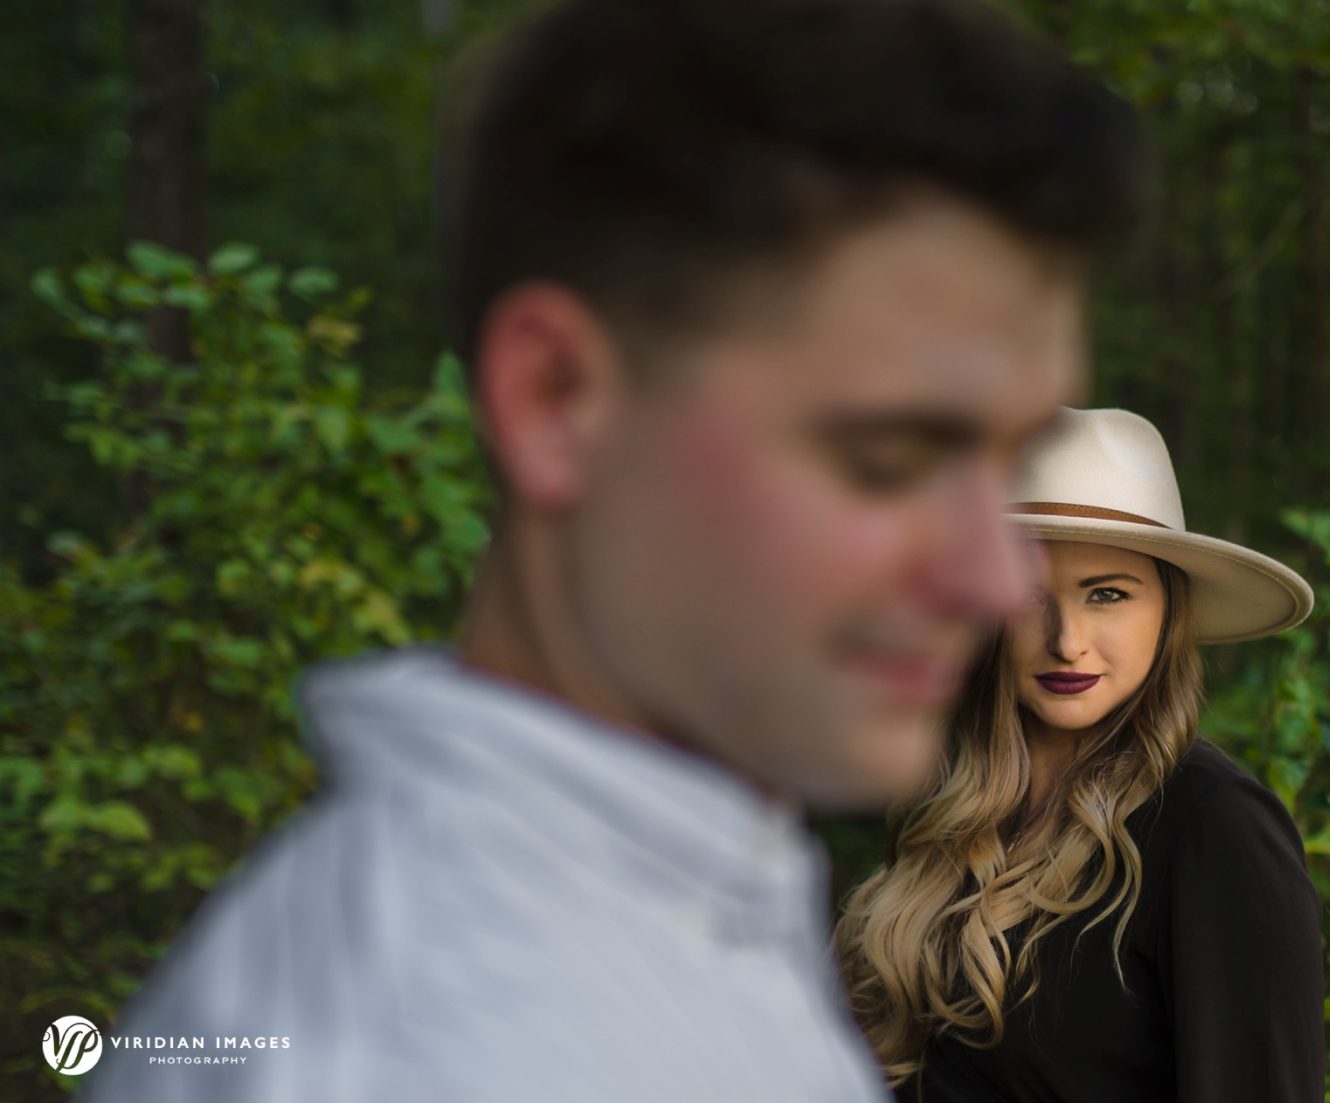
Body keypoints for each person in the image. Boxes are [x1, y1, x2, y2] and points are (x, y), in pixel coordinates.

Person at [77, 2, 1147, 1100]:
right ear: (555, 400)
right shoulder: (440, 1053)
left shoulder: (655, 915)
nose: (996, 579)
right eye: (889, 458)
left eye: (1012, 463)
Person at [838, 406, 1327, 1102]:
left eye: (1107, 594)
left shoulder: (1216, 827)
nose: (1066, 640)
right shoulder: (942, 807)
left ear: (1169, 610)